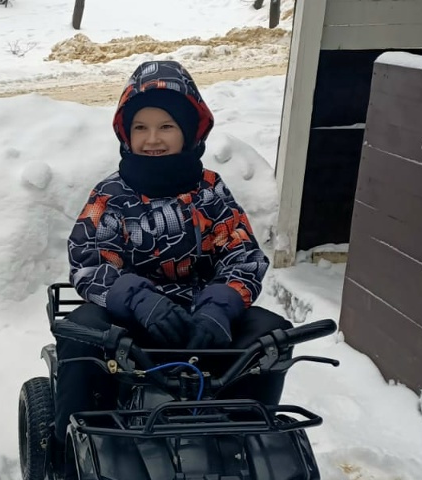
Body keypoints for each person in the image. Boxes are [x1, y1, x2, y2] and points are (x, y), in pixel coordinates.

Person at [54, 60, 292, 471]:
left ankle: (246, 438)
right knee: (82, 332)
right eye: (141, 127)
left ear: (190, 130)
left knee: (271, 333)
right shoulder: (111, 195)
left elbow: (242, 253)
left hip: (202, 319)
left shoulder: (210, 190)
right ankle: (72, 448)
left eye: (166, 126)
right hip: (129, 320)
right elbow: (88, 260)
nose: (153, 139)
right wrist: (135, 298)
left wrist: (220, 305)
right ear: (126, 134)